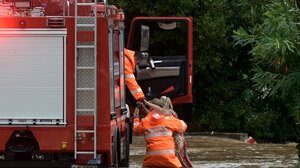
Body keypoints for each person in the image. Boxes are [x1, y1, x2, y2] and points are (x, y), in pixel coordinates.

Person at [133, 99, 187, 168]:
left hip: (151, 161)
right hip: (170, 161)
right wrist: (174, 117)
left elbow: (136, 130)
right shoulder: (169, 119)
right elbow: (184, 126)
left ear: (151, 108)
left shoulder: (145, 121)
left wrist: (136, 118)